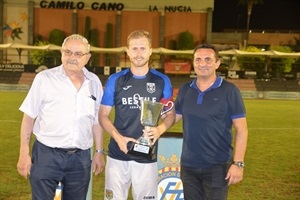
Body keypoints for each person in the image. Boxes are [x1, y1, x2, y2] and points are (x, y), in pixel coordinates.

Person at [17, 34, 105, 200]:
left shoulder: (94, 82)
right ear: (61, 53)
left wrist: (99, 152)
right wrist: (24, 153)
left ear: (88, 58)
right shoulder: (44, 78)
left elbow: (96, 121)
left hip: (80, 159)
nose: (72, 57)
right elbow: (29, 117)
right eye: (68, 52)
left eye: (78, 54)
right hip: (46, 155)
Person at [99, 30, 175, 200]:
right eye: (134, 49)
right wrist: (118, 138)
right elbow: (103, 115)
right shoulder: (116, 80)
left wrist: (160, 129)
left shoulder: (162, 81)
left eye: (142, 48)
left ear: (150, 50)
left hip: (147, 156)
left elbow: (169, 114)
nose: (138, 53)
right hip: (118, 155)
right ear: (127, 51)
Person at [174, 43, 248, 200]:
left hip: (217, 165)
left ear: (217, 63)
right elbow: (173, 117)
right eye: (198, 59)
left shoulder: (229, 90)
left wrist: (238, 163)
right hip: (189, 165)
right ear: (193, 63)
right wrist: (155, 124)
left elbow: (241, 130)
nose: (202, 64)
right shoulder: (185, 89)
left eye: (208, 59)